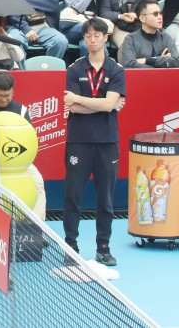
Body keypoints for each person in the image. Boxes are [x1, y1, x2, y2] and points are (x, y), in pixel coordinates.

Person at [63, 18, 126, 266]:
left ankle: (103, 247)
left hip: (107, 141)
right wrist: (104, 105)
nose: (92, 39)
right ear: (84, 39)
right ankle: (71, 245)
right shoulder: (74, 69)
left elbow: (108, 104)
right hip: (78, 140)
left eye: (97, 35)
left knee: (106, 199)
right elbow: (72, 107)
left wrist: (83, 101)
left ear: (105, 38)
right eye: (88, 35)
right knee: (72, 196)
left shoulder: (116, 70)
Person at [0, 71, 47, 215]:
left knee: (38, 181)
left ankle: (38, 226)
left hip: (18, 162)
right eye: (0, 96)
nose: (4, 100)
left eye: (8, 96)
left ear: (13, 92)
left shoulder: (21, 110)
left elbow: (29, 139)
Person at [120, 0, 179, 68]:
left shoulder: (165, 37)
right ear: (142, 18)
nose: (160, 17)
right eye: (155, 14)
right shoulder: (130, 40)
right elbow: (130, 65)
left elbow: (176, 61)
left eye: (160, 13)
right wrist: (161, 61)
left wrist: (147, 60)